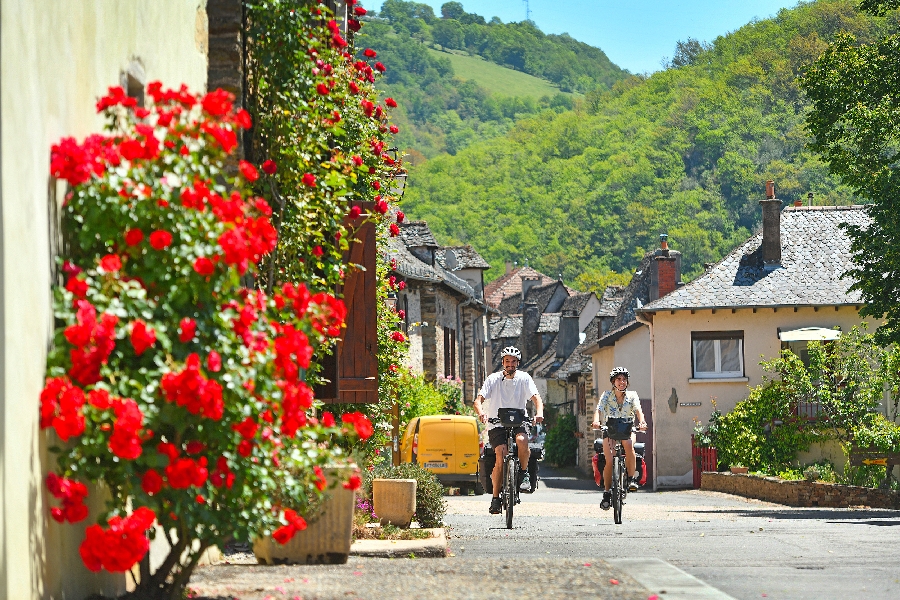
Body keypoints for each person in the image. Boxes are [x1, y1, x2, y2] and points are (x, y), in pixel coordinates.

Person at [474, 346, 544, 515]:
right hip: (497, 424)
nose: (510, 364)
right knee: (500, 454)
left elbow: (536, 399)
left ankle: (524, 473)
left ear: (517, 363)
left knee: (521, 441)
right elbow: (478, 400)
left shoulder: (524, 378)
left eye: (513, 361)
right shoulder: (493, 379)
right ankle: (496, 498)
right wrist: (482, 413)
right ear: (503, 363)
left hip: (519, 421)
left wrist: (539, 413)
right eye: (507, 361)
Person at [591, 367, 647, 510]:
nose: (622, 382)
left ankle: (631, 479)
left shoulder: (632, 395)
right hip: (610, 429)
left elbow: (638, 411)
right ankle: (606, 493)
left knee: (628, 445)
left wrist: (642, 422)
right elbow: (599, 410)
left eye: (624, 379)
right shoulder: (606, 395)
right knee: (609, 460)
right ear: (613, 382)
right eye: (619, 379)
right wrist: (596, 421)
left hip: (627, 428)